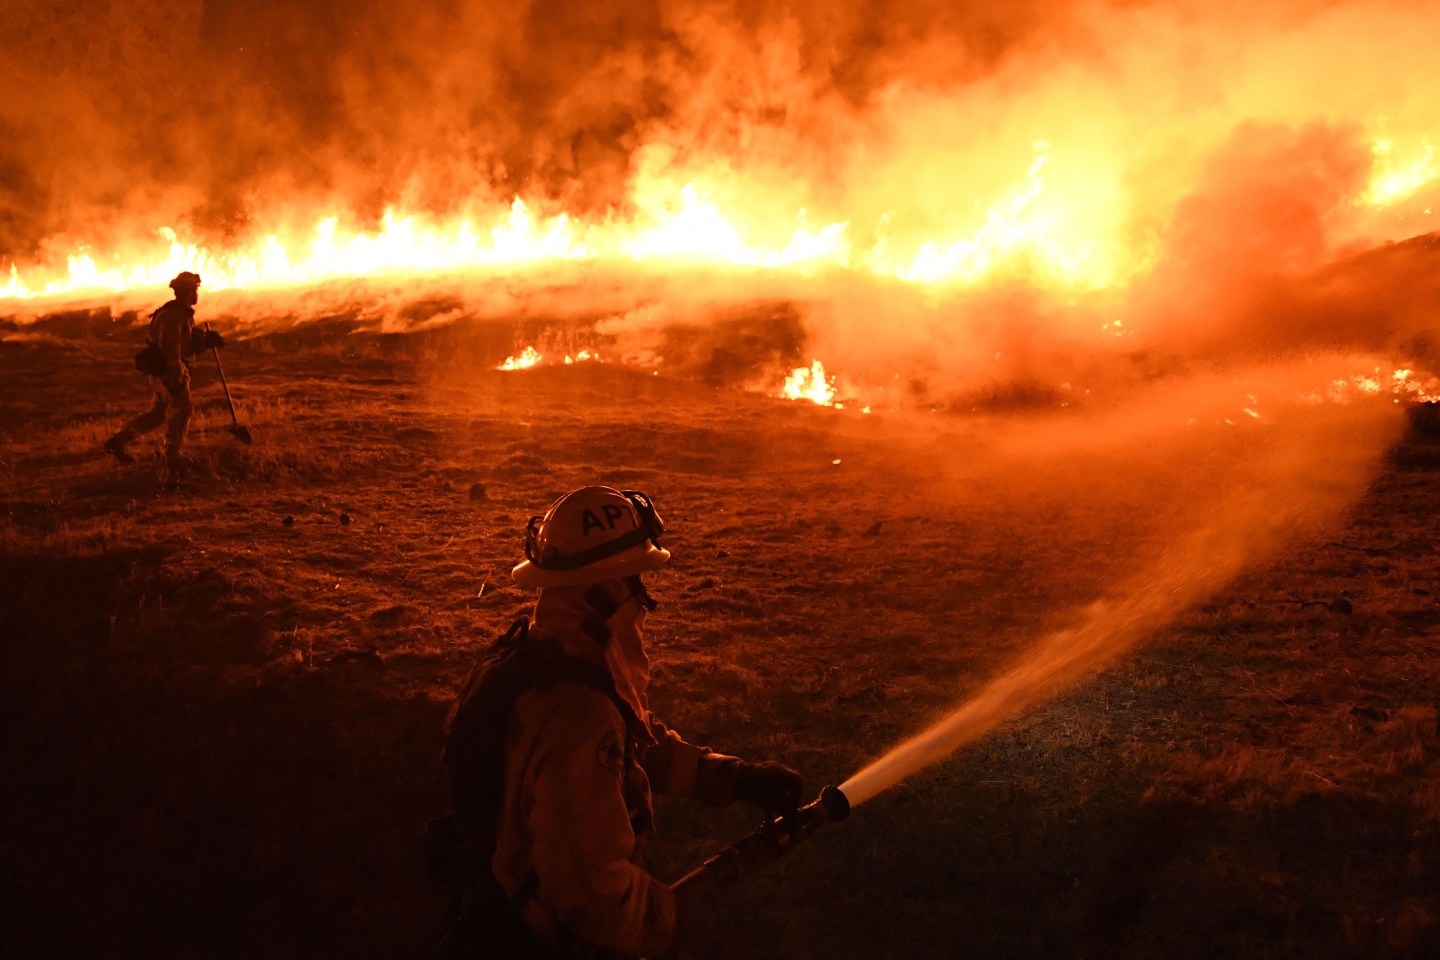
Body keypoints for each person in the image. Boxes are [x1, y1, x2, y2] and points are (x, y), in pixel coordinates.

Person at [437, 486, 804, 959]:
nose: (643, 598)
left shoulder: (550, 658)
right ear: (604, 589)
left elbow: (633, 747)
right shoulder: (580, 717)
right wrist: (666, 917)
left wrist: (729, 776)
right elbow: (592, 893)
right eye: (636, 580)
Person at [103, 271, 223, 470]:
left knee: (158, 414)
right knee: (183, 409)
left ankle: (117, 442)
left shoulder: (180, 312)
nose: (197, 293)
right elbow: (169, 345)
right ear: (187, 291)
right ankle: (173, 457)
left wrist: (204, 340)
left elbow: (184, 341)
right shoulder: (173, 315)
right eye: (195, 289)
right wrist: (176, 374)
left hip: (165, 370)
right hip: (168, 371)